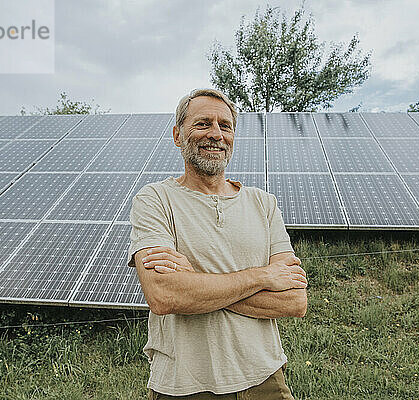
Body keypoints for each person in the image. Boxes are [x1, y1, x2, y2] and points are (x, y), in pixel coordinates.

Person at [127, 88, 308, 399]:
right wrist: (262, 277)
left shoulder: (263, 203)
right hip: (185, 384)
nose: (216, 134)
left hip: (265, 378)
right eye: (202, 124)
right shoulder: (155, 199)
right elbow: (164, 295)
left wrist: (194, 283)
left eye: (225, 126)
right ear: (177, 134)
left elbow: (293, 301)